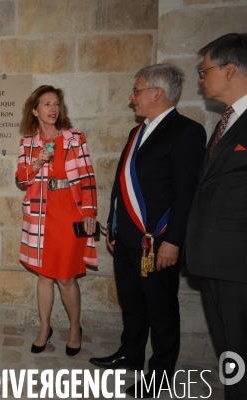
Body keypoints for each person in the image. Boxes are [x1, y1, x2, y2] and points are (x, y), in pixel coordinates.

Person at [88, 63, 206, 398]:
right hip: (127, 238)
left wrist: (174, 242)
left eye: (136, 90)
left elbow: (186, 194)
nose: (131, 97)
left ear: (157, 93)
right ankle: (130, 353)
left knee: (161, 309)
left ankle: (160, 376)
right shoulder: (138, 131)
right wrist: (112, 226)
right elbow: (121, 184)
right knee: (133, 302)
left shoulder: (186, 131)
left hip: (157, 241)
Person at [185, 33, 247, 400]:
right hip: (213, 261)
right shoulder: (227, 120)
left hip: (238, 263)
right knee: (230, 352)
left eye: (204, 70)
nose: (200, 78)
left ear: (230, 70)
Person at [16, 85, 98, 357]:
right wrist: (37, 162)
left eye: (56, 104)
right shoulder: (27, 142)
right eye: (47, 104)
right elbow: (21, 179)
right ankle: (45, 328)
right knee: (44, 277)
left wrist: (90, 212)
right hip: (40, 214)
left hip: (68, 212)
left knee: (65, 277)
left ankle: (75, 328)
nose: (53, 109)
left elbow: (87, 177)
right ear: (35, 111)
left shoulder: (75, 138)